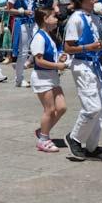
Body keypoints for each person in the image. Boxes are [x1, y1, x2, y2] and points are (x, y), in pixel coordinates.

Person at [62, 0, 102, 161]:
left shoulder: (94, 17)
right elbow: (68, 47)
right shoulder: (76, 19)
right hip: (82, 65)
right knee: (92, 106)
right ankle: (74, 137)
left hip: (95, 65)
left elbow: (100, 44)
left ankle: (92, 146)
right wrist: (88, 47)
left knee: (100, 108)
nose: (95, 0)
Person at [30, 8, 70, 153]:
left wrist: (60, 58)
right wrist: (57, 65)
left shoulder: (50, 36)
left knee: (62, 107)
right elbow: (39, 61)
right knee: (50, 109)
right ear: (45, 19)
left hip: (52, 76)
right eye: (53, 16)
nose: (56, 19)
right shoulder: (39, 37)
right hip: (42, 78)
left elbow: (52, 55)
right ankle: (43, 140)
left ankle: (42, 130)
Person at [7, 0, 35, 88]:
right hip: (21, 22)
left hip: (32, 22)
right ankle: (19, 78)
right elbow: (9, 9)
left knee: (35, 48)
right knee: (23, 52)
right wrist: (22, 11)